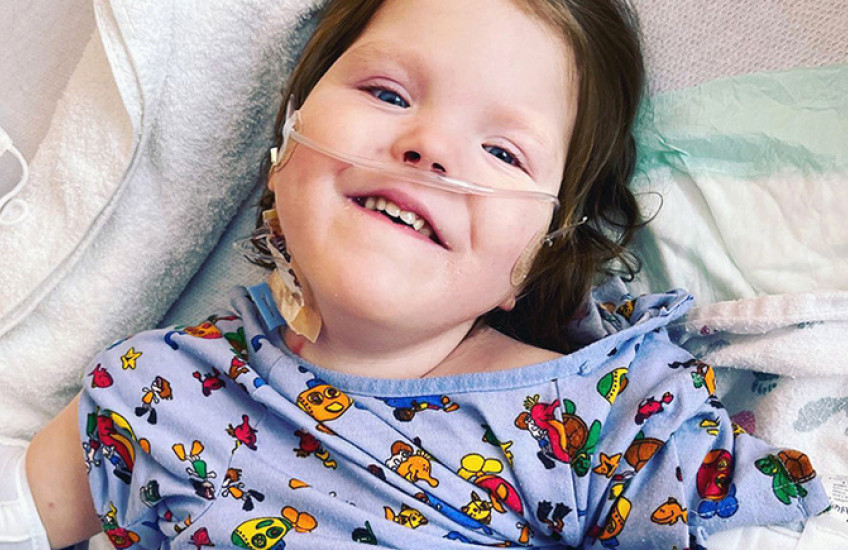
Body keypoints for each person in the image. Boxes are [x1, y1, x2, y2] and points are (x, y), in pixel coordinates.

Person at [6, 0, 830, 548]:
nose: (431, 148)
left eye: (503, 151)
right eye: (389, 93)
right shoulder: (151, 390)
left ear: (539, 252)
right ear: (283, 150)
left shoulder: (615, 423)